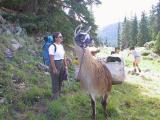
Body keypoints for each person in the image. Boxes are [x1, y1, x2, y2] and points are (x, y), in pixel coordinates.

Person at [48, 32, 67, 100]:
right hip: (55, 64)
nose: (61, 38)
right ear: (56, 38)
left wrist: (65, 65)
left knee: (60, 80)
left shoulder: (61, 46)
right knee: (55, 81)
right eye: (60, 36)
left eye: (61, 36)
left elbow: (64, 56)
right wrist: (54, 68)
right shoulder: (52, 46)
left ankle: (58, 94)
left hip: (61, 64)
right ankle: (54, 96)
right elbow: (51, 58)